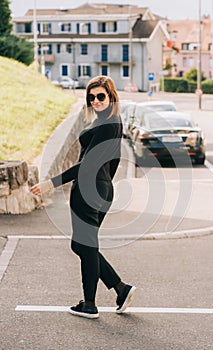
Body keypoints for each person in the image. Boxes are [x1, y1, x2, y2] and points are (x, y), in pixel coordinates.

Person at [30, 75, 136, 319]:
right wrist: (105, 184)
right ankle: (121, 289)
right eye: (91, 97)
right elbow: (114, 160)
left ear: (111, 97)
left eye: (101, 96)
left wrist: (51, 183)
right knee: (80, 245)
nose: (96, 100)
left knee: (85, 245)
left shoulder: (107, 124)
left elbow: (86, 165)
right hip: (102, 188)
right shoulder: (111, 122)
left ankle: (89, 304)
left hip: (90, 189)